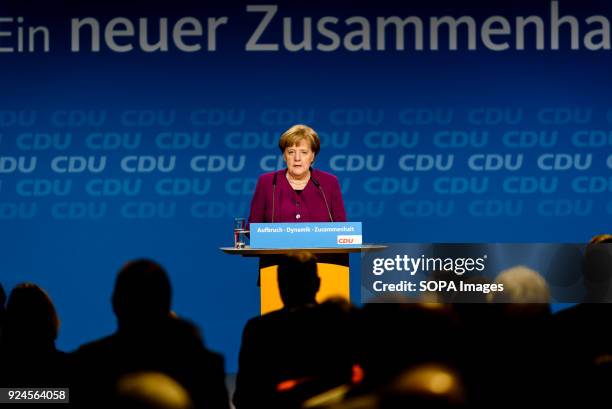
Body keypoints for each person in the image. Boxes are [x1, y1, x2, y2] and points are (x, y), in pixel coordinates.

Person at [71, 259, 229, 409]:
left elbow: (57, 397)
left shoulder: (87, 362)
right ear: (167, 305)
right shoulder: (205, 366)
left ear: (115, 303)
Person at [249, 124, 346, 223]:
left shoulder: (329, 182)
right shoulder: (267, 182)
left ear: (313, 156)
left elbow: (342, 228)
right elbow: (252, 228)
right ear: (284, 156)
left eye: (304, 152)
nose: (297, 158)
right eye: (291, 152)